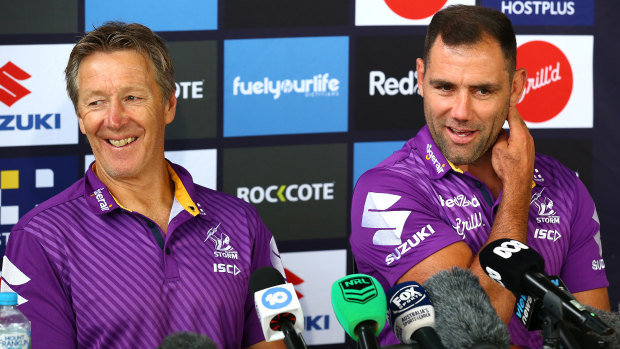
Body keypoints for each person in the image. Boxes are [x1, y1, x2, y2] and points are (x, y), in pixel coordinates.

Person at [1, 22, 286, 349]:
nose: (115, 119)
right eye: (96, 102)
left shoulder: (242, 222)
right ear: (80, 117)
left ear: (168, 105)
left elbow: (273, 342)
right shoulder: (41, 238)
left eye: (132, 97)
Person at [350, 5, 610, 348]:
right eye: (444, 87)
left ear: (515, 87)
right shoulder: (383, 194)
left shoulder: (565, 187)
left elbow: (595, 335)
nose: (460, 112)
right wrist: (518, 186)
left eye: (482, 91)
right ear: (420, 78)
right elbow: (469, 331)